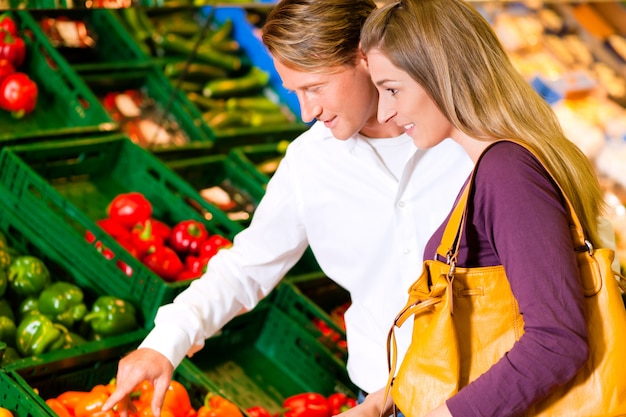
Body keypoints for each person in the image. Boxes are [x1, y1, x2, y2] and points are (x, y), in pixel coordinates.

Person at [102, 1, 474, 416]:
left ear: (364, 58)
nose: (306, 112)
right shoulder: (310, 161)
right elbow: (247, 266)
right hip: (383, 402)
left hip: (488, 394)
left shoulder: (468, 141)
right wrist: (164, 343)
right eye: (295, 92)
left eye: (314, 87)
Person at [358, 0, 613, 416]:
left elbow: (557, 341)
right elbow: (484, 332)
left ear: (440, 75)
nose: (386, 112)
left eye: (392, 89)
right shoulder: (499, 164)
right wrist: (382, 402)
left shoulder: (508, 171)